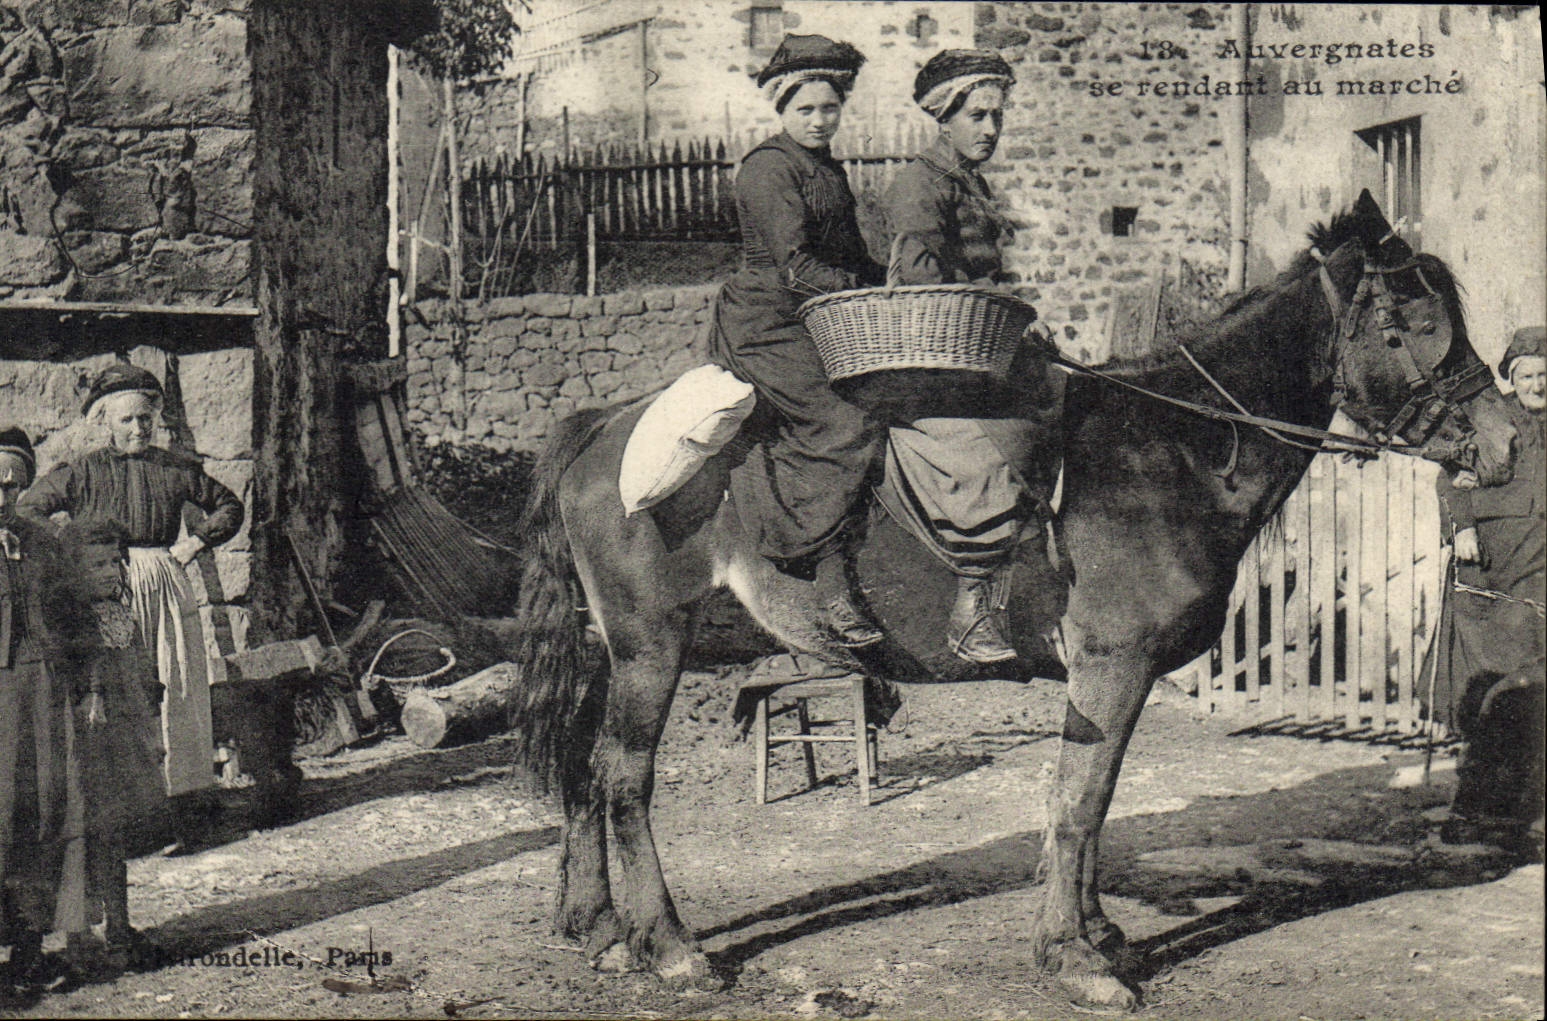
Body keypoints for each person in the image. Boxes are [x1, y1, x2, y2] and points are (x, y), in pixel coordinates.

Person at [709, 34, 888, 647]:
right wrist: (859, 293)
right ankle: (830, 585)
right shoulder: (768, 168)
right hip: (765, 324)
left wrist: (892, 282)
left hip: (816, 316)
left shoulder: (827, 168)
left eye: (829, 108)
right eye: (804, 109)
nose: (818, 120)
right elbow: (795, 265)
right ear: (782, 110)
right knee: (842, 418)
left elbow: (852, 257)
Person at [881, 49, 1060, 663]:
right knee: (1003, 445)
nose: (990, 128)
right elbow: (921, 277)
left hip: (976, 348)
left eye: (997, 116)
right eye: (977, 115)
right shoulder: (918, 184)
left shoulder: (968, 183)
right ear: (944, 116)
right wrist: (996, 302)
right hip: (934, 356)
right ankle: (971, 608)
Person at [19, 363, 244, 836]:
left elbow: (230, 506)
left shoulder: (174, 468)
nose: (139, 428)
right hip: (107, 589)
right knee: (121, 688)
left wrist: (193, 543)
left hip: (164, 575)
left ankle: (186, 800)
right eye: (127, 420)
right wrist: (74, 553)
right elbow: (29, 510)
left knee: (176, 677)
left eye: (146, 418)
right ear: (105, 423)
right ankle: (128, 812)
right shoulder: (79, 473)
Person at [1432, 325, 1545, 858]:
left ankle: (1504, 812)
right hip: (1490, 578)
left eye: (1545, 374)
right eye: (1527, 375)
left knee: (1526, 694)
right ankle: (1477, 810)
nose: (1537, 384)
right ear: (1511, 376)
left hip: (1537, 573)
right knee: (1496, 694)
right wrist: (1464, 528)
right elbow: (1450, 477)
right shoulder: (1491, 418)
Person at [52, 519, 163, 973]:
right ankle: (78, 938)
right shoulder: (67, 620)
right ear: (73, 570)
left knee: (114, 838)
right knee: (79, 840)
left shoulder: (119, 611)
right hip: (84, 747)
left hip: (121, 743)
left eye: (115, 561)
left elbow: (136, 671)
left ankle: (119, 930)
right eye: (96, 564)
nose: (110, 571)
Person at [0, 427, 81, 988]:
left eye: (13, 484)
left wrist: (91, 685)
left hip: (42, 691)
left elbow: (80, 618)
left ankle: (29, 947)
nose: (2, 494)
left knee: (41, 811)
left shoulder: (44, 541)